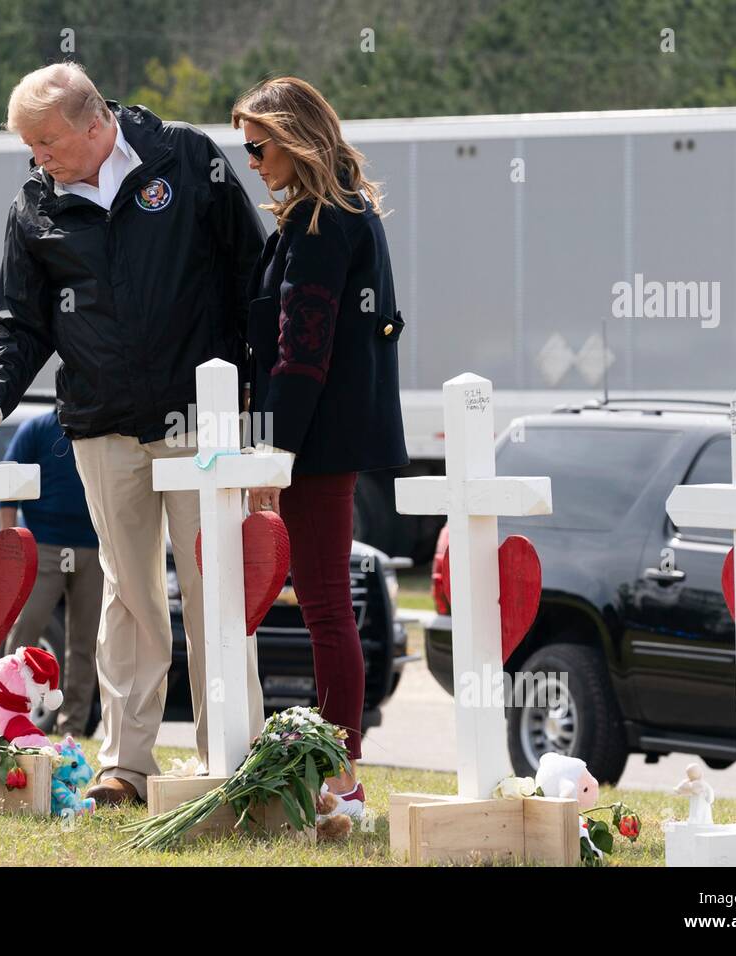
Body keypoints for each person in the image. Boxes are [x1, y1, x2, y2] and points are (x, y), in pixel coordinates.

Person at [0, 63, 267, 806]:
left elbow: (254, 276)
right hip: (101, 426)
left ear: (94, 122)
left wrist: (257, 397)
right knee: (129, 595)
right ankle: (127, 766)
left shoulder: (186, 157)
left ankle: (232, 760)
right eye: (27, 144)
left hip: (199, 423)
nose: (37, 156)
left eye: (47, 141)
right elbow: (20, 326)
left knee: (219, 591)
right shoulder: (33, 205)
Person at [232, 76, 409, 820]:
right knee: (325, 605)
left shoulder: (319, 224)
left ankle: (342, 774)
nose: (250, 161)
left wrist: (272, 457)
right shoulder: (332, 215)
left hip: (314, 444)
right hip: (323, 439)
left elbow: (300, 355)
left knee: (328, 606)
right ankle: (335, 768)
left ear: (293, 136)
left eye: (258, 145)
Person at [0, 409, 103, 739]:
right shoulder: (37, 429)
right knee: (26, 629)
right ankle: (8, 712)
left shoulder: (100, 425)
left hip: (93, 548)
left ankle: (72, 727)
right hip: (44, 547)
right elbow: (8, 486)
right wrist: (11, 545)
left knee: (86, 644)